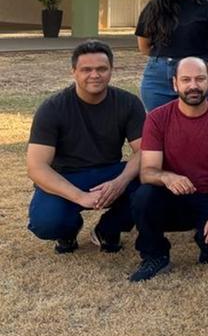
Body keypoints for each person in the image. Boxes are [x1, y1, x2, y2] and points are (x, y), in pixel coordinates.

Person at [127, 57, 208, 282]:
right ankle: (155, 254)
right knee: (143, 195)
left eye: (200, 79)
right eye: (186, 80)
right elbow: (147, 172)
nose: (193, 86)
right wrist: (166, 176)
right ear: (175, 84)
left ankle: (207, 240)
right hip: (172, 197)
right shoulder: (157, 118)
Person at [26, 41, 145, 255]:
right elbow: (36, 167)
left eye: (101, 69)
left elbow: (144, 151)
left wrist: (120, 182)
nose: (95, 75)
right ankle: (68, 230)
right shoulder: (53, 108)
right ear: (74, 72)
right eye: (86, 69)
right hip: (66, 176)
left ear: (111, 71)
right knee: (46, 223)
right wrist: (80, 196)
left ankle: (108, 229)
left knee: (148, 185)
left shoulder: (128, 103)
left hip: (109, 172)